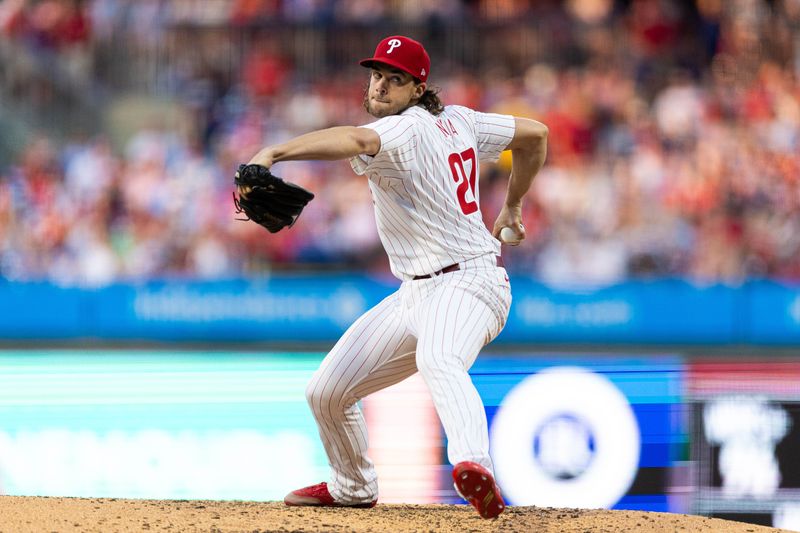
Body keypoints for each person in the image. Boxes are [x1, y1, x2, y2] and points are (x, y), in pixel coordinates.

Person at [244, 35, 548, 519]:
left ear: (417, 88)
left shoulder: (405, 129)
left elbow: (360, 139)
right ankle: (352, 486)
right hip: (416, 292)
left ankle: (474, 463)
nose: (382, 85)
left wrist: (275, 153)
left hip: (470, 283)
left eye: (396, 78)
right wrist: (511, 204)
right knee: (326, 392)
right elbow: (535, 135)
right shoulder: (461, 120)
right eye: (377, 74)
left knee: (438, 358)